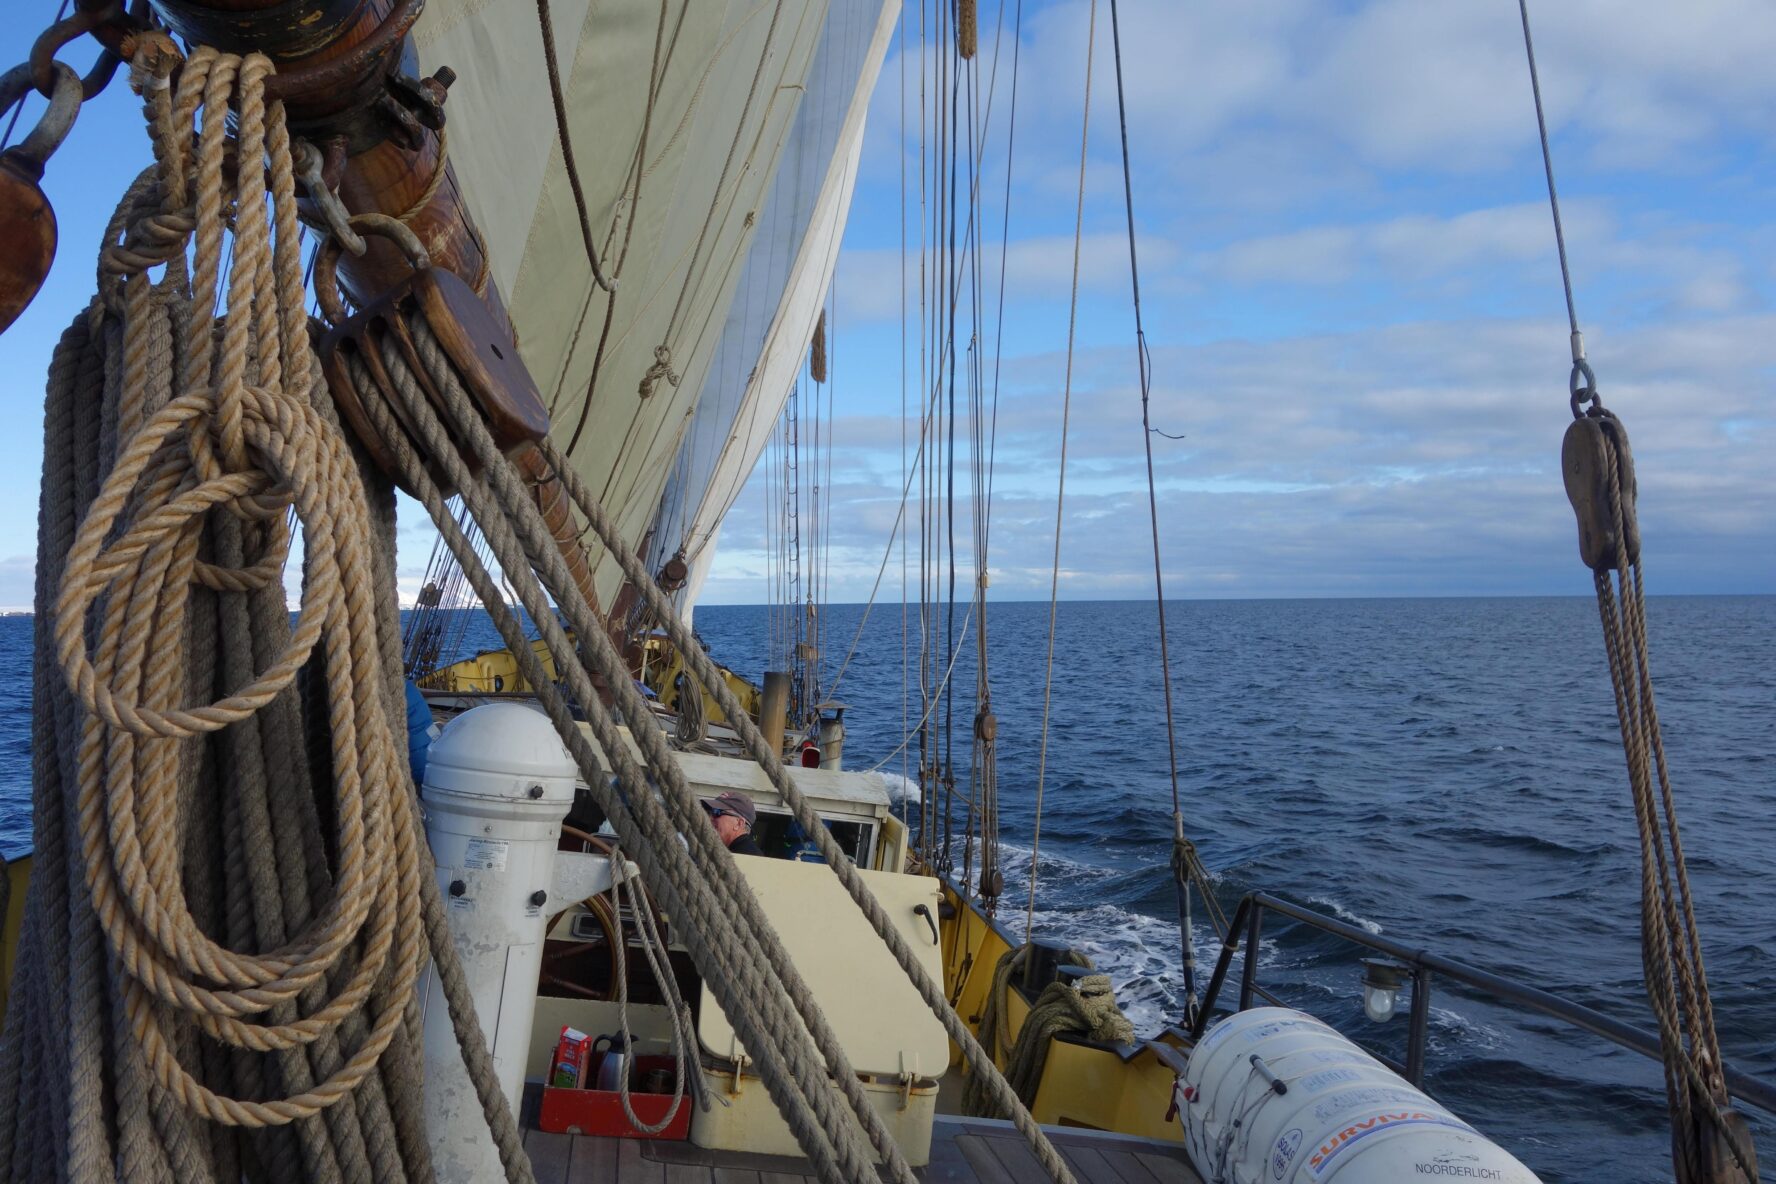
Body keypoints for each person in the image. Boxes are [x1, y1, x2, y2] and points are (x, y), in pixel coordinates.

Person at [702, 791, 764, 857]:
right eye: (709, 813)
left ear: (739, 823)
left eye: (717, 812)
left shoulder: (747, 856)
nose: (709, 818)